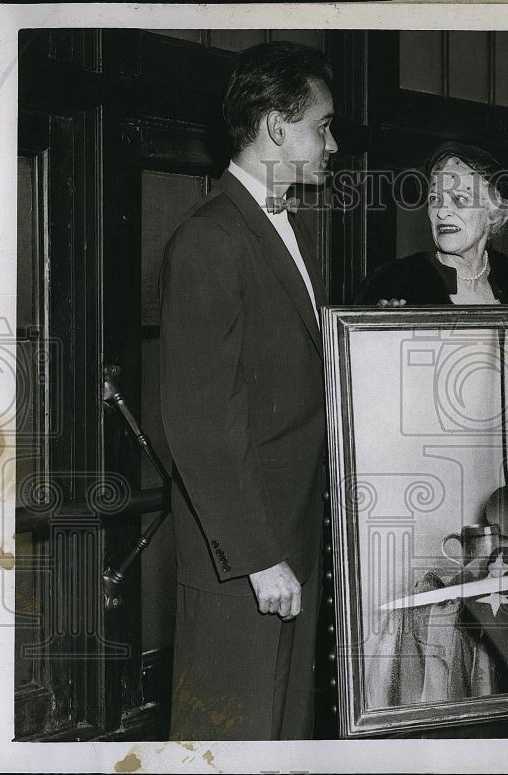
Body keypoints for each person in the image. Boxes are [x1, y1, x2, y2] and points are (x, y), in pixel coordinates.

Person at [159, 41, 337, 740]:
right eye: (321, 125)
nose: (332, 141)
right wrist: (260, 557)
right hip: (247, 555)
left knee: (280, 730)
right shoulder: (211, 237)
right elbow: (200, 419)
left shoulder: (278, 224)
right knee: (231, 735)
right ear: (275, 126)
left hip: (287, 537)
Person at [358, 142, 508, 305]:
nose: (442, 212)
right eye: (434, 198)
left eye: (460, 198)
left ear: (496, 213)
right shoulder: (391, 284)